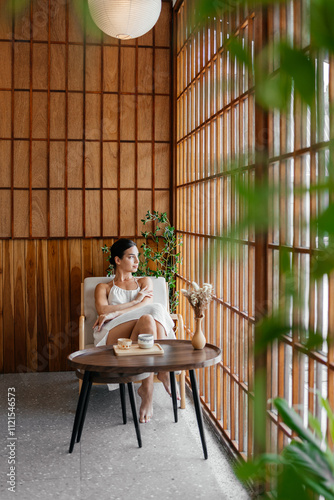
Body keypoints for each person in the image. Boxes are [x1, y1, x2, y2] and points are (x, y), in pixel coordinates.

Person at [93, 238, 176, 423]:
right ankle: (163, 369)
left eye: (137, 257)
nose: (137, 261)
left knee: (148, 316)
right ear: (118, 260)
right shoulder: (104, 287)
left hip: (138, 332)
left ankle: (147, 392)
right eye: (131, 257)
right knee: (155, 309)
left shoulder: (144, 282)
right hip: (112, 333)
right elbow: (102, 312)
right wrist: (135, 301)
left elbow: (144, 308)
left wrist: (119, 310)